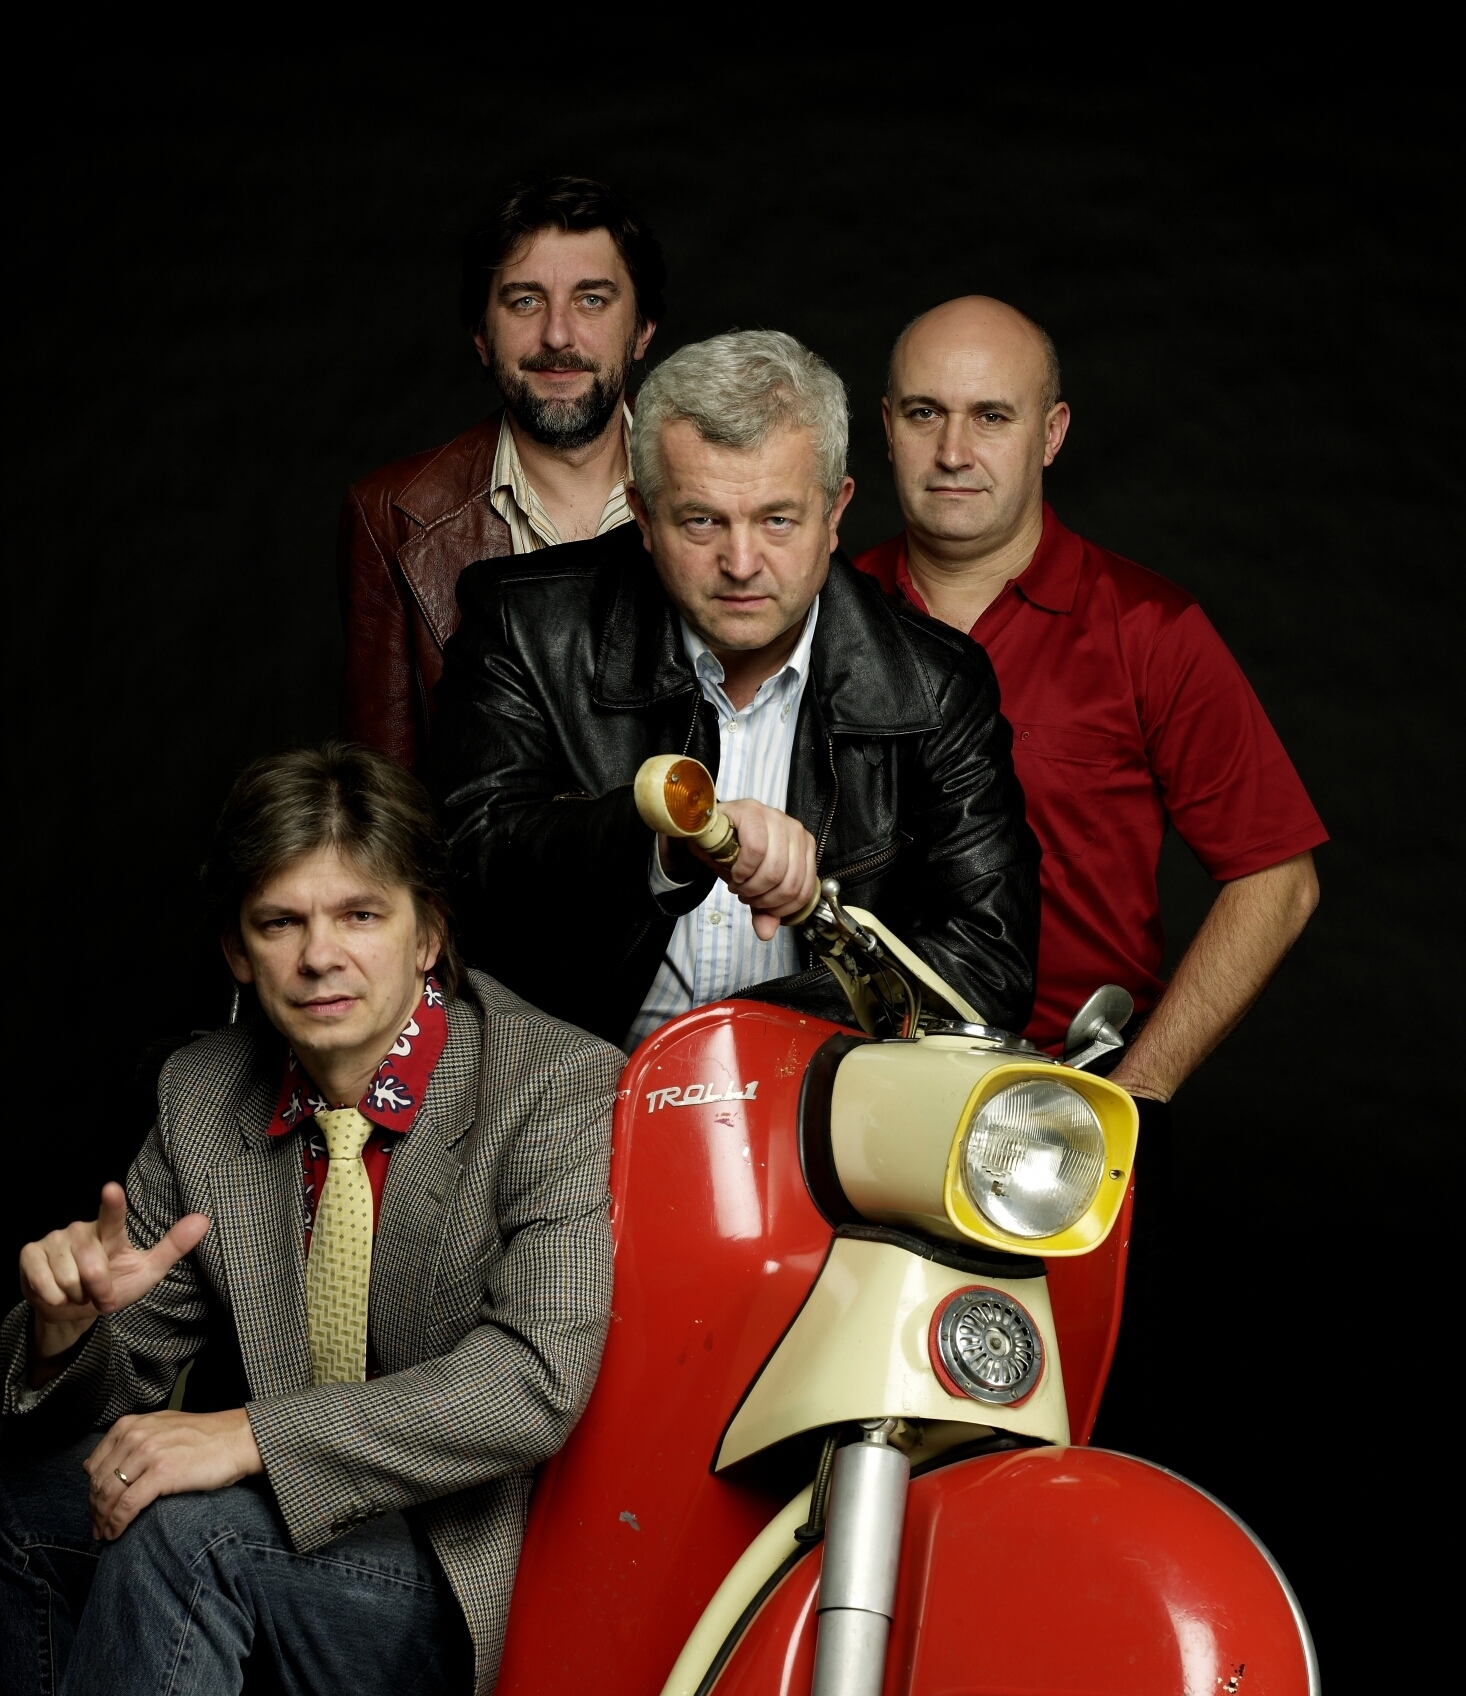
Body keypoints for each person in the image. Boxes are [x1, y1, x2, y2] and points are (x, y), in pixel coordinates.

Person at [0, 744, 620, 1696]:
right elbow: (117, 1381)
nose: (319, 956)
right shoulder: (202, 1095)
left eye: (358, 916)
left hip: (475, 1577)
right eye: (280, 922)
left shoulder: (557, 1085)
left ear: (426, 935)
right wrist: (65, 1333)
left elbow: (532, 1382)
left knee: (189, 1533)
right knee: (23, 1503)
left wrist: (245, 1433)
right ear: (237, 951)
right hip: (284, 1536)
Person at [432, 329, 1039, 1052]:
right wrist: (664, 844)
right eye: (702, 521)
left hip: (816, 1082)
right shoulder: (522, 625)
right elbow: (468, 880)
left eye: (777, 520)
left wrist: (730, 1041)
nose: (742, 562)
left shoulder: (938, 684)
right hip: (568, 1091)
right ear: (643, 515)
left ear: (834, 514)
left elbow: (989, 963)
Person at [855, 296, 1325, 1100]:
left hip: (1061, 1097)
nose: (953, 451)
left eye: (992, 416)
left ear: (1051, 434)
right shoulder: (825, 615)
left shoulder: (1151, 631)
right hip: (847, 1082)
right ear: (888, 427)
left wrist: (1134, 1094)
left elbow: (1279, 882)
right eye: (925, 413)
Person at [339, 175, 666, 771]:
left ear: (642, 328)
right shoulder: (391, 517)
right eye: (525, 301)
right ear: (482, 337)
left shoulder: (722, 488)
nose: (557, 335)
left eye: (592, 299)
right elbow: (383, 794)